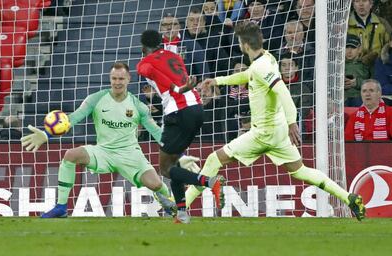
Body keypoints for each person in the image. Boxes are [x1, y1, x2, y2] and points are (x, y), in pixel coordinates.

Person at [186, 21, 366, 221]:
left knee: (214, 159)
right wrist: (218, 81)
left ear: (244, 44)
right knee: (301, 171)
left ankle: (180, 206)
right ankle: (348, 197)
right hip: (277, 132)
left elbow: (283, 92)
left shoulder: (262, 66)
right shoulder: (266, 58)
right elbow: (248, 75)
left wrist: (292, 122)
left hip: (264, 133)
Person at [20, 62, 201, 218]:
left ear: (128, 79)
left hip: (130, 154)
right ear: (110, 79)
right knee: (70, 155)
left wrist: (180, 155)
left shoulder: (139, 107)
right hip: (103, 151)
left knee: (155, 184)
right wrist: (45, 135)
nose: (117, 82)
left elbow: (157, 133)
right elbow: (72, 119)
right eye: (114, 78)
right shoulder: (96, 99)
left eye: (121, 79)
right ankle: (61, 207)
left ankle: (166, 199)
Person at [137, 29, 225, 223]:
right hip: (197, 108)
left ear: (143, 47)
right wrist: (180, 87)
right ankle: (182, 214)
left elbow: (153, 73)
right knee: (174, 162)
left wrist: (176, 89)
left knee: (166, 168)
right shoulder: (174, 56)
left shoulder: (145, 63)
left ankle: (210, 182)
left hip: (178, 112)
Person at [344, 34, 371, 107]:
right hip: (342, 98)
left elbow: (373, 83)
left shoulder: (367, 64)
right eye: (346, 47)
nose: (349, 51)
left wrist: (356, 83)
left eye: (353, 47)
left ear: (359, 49)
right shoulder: (337, 64)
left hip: (360, 98)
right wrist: (340, 85)